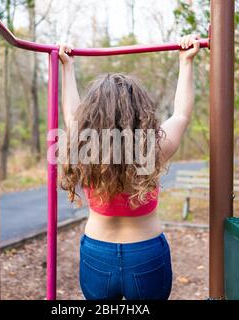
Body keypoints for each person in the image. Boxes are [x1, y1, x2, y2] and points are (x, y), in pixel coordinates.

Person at [58, 35, 200, 300]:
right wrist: (186, 62)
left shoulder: (86, 145)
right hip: (145, 253)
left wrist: (68, 68)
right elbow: (181, 114)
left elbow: (70, 115)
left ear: (91, 114)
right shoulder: (154, 148)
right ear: (140, 111)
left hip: (97, 253)